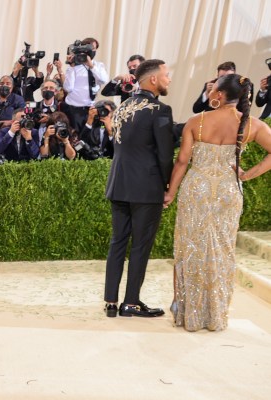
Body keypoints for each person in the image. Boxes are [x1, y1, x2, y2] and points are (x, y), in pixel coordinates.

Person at [165, 75, 271, 331]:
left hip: (197, 189)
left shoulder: (197, 121)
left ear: (220, 95)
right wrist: (247, 175)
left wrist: (169, 193)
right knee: (222, 250)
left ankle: (189, 315)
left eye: (213, 89)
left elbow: (182, 162)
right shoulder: (251, 124)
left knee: (190, 248)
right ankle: (215, 315)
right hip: (228, 190)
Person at [103, 59, 175, 318]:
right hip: (146, 188)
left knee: (117, 244)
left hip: (118, 184)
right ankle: (131, 303)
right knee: (140, 246)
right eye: (166, 75)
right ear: (153, 79)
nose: (169, 79)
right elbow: (165, 155)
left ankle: (111, 302)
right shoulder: (159, 110)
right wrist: (168, 185)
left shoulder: (122, 107)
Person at [61, 37, 110, 135]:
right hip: (73, 108)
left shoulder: (98, 66)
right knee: (74, 136)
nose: (92, 51)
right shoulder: (74, 67)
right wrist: (71, 67)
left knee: (88, 136)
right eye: (89, 48)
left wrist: (91, 65)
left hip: (90, 108)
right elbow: (68, 88)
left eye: (94, 48)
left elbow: (104, 80)